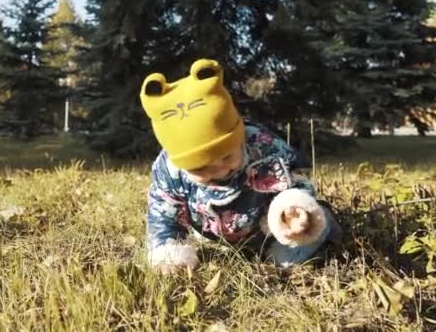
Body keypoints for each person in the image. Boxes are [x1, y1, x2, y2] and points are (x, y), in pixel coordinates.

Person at [140, 58, 341, 274]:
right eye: (200, 169)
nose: (219, 170)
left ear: (239, 139)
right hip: (213, 232)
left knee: (292, 253)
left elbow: (295, 179)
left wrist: (294, 209)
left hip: (269, 227)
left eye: (227, 157)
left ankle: (320, 225)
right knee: (172, 257)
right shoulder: (170, 171)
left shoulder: (262, 147)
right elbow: (163, 213)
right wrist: (168, 250)